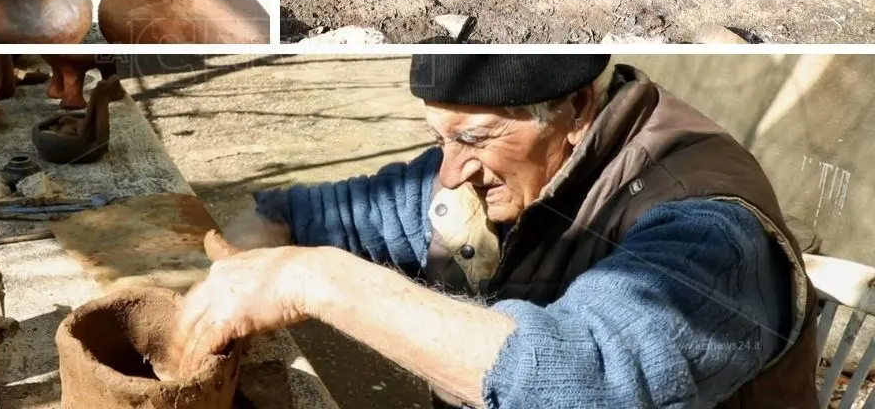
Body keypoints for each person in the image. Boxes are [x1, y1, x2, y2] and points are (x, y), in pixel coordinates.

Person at [173, 55, 819, 409]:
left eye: (475, 138)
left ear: (577, 109)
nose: (452, 172)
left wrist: (314, 279)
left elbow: (587, 383)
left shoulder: (708, 228)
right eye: (439, 139)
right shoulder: (497, 178)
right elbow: (302, 211)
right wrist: (243, 262)